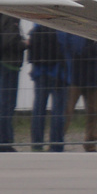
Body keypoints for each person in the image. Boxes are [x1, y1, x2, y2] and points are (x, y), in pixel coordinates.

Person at [59, 32, 97, 152]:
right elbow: (73, 47)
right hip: (75, 76)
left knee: (94, 112)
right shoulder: (75, 30)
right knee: (67, 111)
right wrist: (91, 50)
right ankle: (57, 140)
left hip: (94, 77)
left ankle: (91, 143)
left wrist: (88, 51)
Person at [0, 11, 24, 152]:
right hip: (9, 63)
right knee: (8, 103)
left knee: (2, 102)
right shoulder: (11, 15)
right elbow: (10, 41)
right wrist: (25, 44)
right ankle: (4, 141)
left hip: (1, 62)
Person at [27, 23, 66, 152]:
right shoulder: (61, 27)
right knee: (58, 111)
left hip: (39, 73)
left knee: (38, 109)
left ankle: (37, 144)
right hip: (58, 74)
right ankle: (56, 144)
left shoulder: (37, 27)